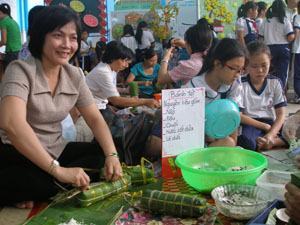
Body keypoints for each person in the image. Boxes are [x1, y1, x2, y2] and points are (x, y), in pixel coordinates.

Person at [0, 6, 122, 208]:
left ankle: (35, 189)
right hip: (18, 153)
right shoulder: (20, 70)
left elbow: (94, 118)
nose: (67, 45)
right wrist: (59, 171)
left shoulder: (74, 74)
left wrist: (112, 156)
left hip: (56, 149)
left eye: (73, 38)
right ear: (40, 37)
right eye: (58, 35)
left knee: (103, 155)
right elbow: (11, 123)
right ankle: (39, 185)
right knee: (37, 180)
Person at [183, 38, 247, 147]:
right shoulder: (193, 89)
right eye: (234, 69)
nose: (237, 75)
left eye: (241, 70)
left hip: (218, 139)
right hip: (193, 141)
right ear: (217, 64)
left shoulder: (234, 83)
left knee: (229, 143)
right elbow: (186, 128)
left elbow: (233, 118)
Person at [238, 41, 287, 151]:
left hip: (270, 123)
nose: (260, 70)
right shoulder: (240, 84)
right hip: (250, 123)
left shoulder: (275, 82)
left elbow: (281, 114)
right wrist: (264, 127)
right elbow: (239, 115)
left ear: (270, 62)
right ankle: (271, 142)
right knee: (246, 141)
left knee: (294, 131)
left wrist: (271, 134)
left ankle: (271, 141)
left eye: (264, 65)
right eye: (254, 66)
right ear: (246, 65)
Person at [86, 40, 160, 111]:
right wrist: (145, 102)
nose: (126, 65)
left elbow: (110, 89)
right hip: (92, 107)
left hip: (100, 104)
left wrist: (125, 90)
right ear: (113, 58)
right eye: (124, 61)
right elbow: (116, 101)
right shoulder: (103, 72)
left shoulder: (112, 68)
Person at [157, 18, 213, 86]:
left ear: (189, 44)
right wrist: (186, 45)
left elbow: (161, 79)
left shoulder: (189, 66)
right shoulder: (214, 59)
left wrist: (165, 58)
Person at [259, 0, 295, 89]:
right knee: (282, 73)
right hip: (283, 49)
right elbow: (290, 37)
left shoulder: (266, 21)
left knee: (269, 71)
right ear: (283, 9)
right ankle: (280, 94)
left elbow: (260, 38)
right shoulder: (285, 20)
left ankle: (269, 92)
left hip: (268, 49)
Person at [0, 3, 21, 70]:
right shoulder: (13, 21)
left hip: (11, 53)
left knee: (8, 74)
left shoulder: (3, 22)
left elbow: (3, 41)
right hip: (18, 52)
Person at [292, 1, 300, 103]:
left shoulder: (297, 17)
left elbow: (297, 32)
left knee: (297, 74)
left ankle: (298, 95)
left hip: (298, 50)